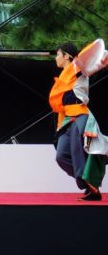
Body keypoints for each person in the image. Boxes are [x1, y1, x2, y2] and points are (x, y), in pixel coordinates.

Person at [50, 39, 108, 201]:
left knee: (77, 149)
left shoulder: (77, 67)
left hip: (79, 114)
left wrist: (102, 57)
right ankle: (86, 181)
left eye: (58, 55)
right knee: (61, 156)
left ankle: (91, 186)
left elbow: (94, 59)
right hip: (67, 118)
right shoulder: (65, 73)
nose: (56, 58)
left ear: (67, 56)